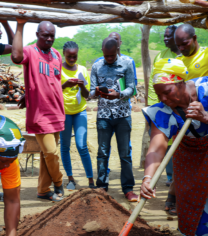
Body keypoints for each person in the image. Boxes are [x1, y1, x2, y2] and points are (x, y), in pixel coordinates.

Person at [140, 58, 208, 236]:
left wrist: (207, 117)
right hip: (189, 157)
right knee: (195, 206)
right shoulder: (162, 111)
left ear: (181, 82)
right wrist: (147, 178)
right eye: (159, 95)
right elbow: (156, 147)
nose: (163, 99)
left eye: (167, 92)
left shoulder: (207, 87)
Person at [11, 19, 65, 201]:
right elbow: (16, 57)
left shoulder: (57, 54)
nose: (49, 39)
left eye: (52, 36)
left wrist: (30, 92)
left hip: (57, 111)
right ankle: (59, 182)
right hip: (40, 114)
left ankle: (43, 190)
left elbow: (53, 81)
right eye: (45, 35)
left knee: (45, 155)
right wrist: (20, 25)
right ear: (37, 35)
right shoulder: (29, 52)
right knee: (51, 152)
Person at [90, 37, 138, 201]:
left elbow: (132, 88)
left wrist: (120, 94)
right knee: (102, 153)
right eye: (107, 55)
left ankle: (128, 188)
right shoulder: (96, 66)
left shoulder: (126, 64)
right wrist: (96, 92)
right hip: (103, 116)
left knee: (125, 154)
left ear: (118, 49)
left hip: (123, 115)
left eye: (112, 55)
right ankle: (102, 187)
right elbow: (90, 92)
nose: (110, 59)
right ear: (102, 51)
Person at [148, 25, 181, 215]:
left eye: (170, 36)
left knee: (183, 155)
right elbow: (157, 84)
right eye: (164, 36)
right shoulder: (161, 55)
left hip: (187, 111)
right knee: (165, 147)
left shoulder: (185, 57)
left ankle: (173, 194)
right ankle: (171, 187)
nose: (166, 39)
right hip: (165, 110)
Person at [60, 41, 95, 190]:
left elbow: (87, 95)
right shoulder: (58, 70)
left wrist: (81, 85)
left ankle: (91, 180)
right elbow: (53, 91)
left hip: (80, 111)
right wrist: (64, 85)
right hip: (64, 113)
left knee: (82, 146)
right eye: (69, 56)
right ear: (64, 54)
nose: (72, 59)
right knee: (65, 146)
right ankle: (70, 178)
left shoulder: (82, 69)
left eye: (74, 56)